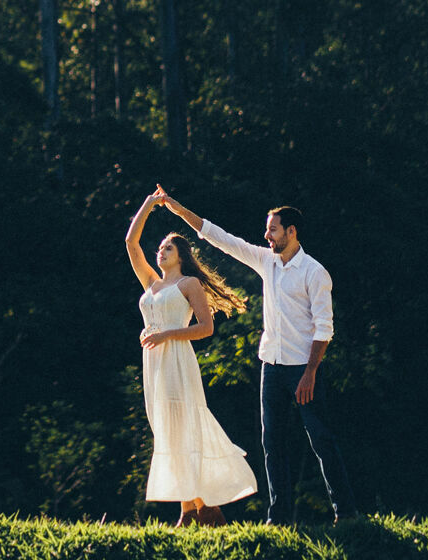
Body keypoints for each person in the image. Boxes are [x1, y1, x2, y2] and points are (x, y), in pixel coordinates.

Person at [155, 187, 357, 526]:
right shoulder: (267, 261)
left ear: (291, 232)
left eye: (273, 229)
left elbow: (324, 329)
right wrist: (177, 209)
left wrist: (309, 373)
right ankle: (278, 518)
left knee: (320, 439)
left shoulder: (314, 272)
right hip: (272, 368)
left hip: (304, 370)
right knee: (272, 444)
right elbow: (219, 238)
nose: (267, 235)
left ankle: (346, 513)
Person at [125, 187, 257, 526]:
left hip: (177, 360)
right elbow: (130, 243)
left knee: (183, 429)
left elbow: (206, 328)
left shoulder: (188, 284)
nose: (161, 251)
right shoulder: (151, 285)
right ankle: (198, 508)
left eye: (168, 246)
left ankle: (198, 509)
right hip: (153, 364)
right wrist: (149, 204)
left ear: (181, 254)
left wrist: (165, 333)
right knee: (167, 431)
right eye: (160, 247)